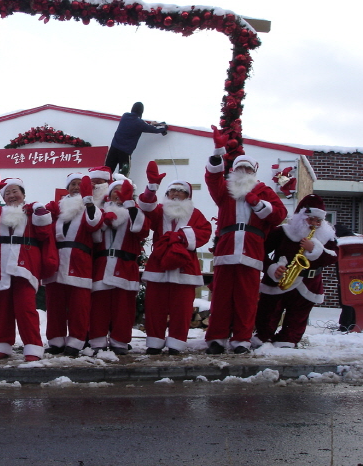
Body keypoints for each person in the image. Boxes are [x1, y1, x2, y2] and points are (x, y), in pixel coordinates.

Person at [203, 126, 287, 354]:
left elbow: (279, 215)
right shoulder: (225, 190)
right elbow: (211, 178)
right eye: (239, 167)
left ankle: (241, 339)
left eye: (247, 168)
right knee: (221, 297)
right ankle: (216, 338)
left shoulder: (263, 191)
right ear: (233, 170)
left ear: (253, 172)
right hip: (227, 249)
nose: (242, 171)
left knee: (247, 299)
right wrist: (218, 152)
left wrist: (257, 203)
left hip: (251, 251)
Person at [0, 169, 57, 362]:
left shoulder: (32, 213)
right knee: (0, 308)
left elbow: (45, 232)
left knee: (26, 308)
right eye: (7, 193)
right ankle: (2, 346)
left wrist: (39, 210)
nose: (11, 196)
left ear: (23, 194)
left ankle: (33, 347)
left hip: (25, 267)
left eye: (15, 191)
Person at [138, 162, 211, 355]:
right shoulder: (160, 211)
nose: (176, 195)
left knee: (182, 309)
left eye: (181, 192)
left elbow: (205, 232)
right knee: (155, 307)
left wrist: (181, 237)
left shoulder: (196, 215)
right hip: (159, 267)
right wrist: (152, 186)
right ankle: (154, 342)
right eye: (172, 192)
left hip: (185, 268)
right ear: (167, 195)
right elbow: (146, 207)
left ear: (188, 196)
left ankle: (176, 344)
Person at [252, 195, 338, 348]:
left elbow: (333, 257)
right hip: (278, 282)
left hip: (308, 284)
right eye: (310, 219)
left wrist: (315, 249)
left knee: (297, 317)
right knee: (269, 313)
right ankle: (263, 336)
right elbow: (260, 252)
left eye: (318, 221)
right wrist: (272, 268)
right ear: (301, 217)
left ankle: (287, 340)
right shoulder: (282, 232)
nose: (314, 225)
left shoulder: (327, 237)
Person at [43, 172, 103, 356]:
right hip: (57, 259)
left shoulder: (91, 208)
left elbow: (94, 224)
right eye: (73, 184)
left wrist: (89, 203)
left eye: (80, 184)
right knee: (55, 304)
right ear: (67, 188)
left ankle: (76, 341)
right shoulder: (57, 209)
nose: (76, 187)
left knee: (79, 305)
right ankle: (56, 340)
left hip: (79, 260)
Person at [89, 176, 149, 355]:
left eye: (122, 192)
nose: (118, 195)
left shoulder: (135, 213)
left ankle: (120, 341)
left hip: (125, 266)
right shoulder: (101, 212)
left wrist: (130, 205)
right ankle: (97, 340)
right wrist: (102, 221)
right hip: (102, 265)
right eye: (115, 191)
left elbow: (142, 229)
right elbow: (91, 232)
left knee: (124, 308)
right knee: (99, 307)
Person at [105, 102, 167, 176]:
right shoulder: (140, 123)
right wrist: (163, 127)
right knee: (123, 175)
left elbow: (135, 123)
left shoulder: (125, 116)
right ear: (141, 112)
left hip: (113, 148)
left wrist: (148, 124)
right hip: (125, 153)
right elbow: (155, 129)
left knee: (106, 172)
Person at [334, 223, 357, 331]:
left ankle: (346, 325)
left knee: (346, 301)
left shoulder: (344, 244)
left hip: (345, 277)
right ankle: (350, 323)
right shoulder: (352, 242)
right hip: (352, 278)